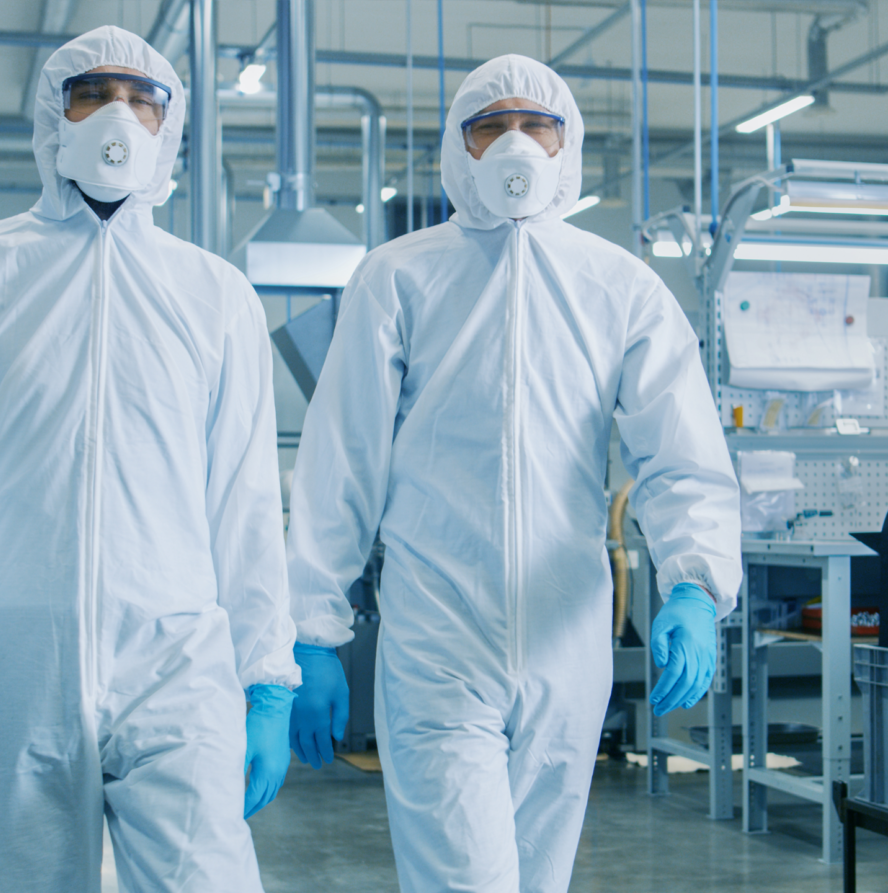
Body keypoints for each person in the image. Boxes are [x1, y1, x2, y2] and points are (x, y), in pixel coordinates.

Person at [286, 54, 741, 893]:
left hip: (569, 642)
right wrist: (312, 630)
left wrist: (694, 584)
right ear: (459, 149)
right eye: (491, 125)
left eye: (537, 124)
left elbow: (680, 455)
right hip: (438, 637)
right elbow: (341, 460)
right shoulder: (399, 276)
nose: (515, 143)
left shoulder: (620, 287)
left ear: (565, 144)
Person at [0, 26, 299, 893]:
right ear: (50, 115)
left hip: (177, 656)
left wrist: (268, 679)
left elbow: (244, 503)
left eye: (144, 100)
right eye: (93, 94)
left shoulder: (215, 295)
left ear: (171, 126)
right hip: (13, 653)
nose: (119, 117)